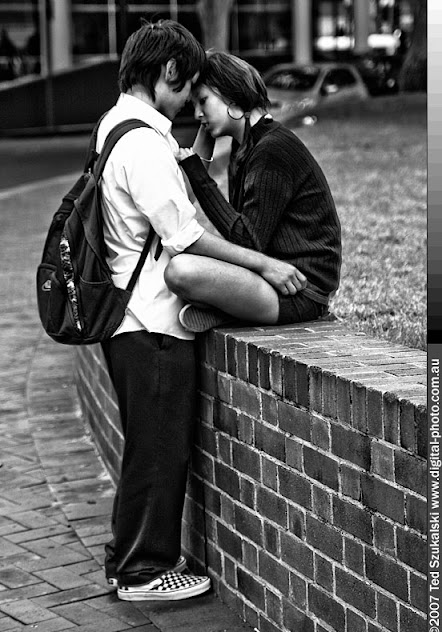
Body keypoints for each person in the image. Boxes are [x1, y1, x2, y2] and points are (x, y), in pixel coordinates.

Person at [98, 21, 306, 602]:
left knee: (145, 445)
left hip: (128, 318)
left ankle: (126, 559)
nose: (193, 99)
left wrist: (197, 153)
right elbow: (185, 237)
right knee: (159, 450)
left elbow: (180, 208)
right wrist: (264, 266)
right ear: (170, 71)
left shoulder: (115, 125)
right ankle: (144, 572)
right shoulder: (143, 143)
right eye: (190, 85)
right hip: (152, 322)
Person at [166, 51, 342, 333]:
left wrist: (198, 175)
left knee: (181, 271)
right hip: (271, 279)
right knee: (174, 261)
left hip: (300, 290)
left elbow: (247, 241)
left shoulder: (272, 149)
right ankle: (233, 312)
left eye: (203, 101)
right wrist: (207, 135)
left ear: (231, 95)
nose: (198, 114)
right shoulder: (245, 146)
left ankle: (232, 312)